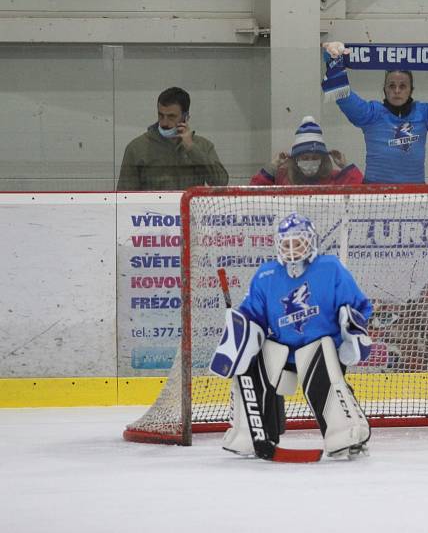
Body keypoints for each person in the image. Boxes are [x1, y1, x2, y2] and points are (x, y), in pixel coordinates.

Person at [209, 212, 374, 460]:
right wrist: (239, 333)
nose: (292, 249)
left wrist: (351, 328)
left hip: (319, 349)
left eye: (298, 242)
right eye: (286, 243)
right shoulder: (267, 275)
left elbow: (358, 307)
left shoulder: (330, 269)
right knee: (251, 360)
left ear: (311, 241)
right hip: (284, 351)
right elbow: (253, 315)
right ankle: (249, 433)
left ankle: (346, 432)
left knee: (322, 353)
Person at [321, 42, 428, 184]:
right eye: (391, 86)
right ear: (384, 90)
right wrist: (333, 59)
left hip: (414, 196)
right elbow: (342, 95)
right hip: (374, 196)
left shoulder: (424, 114)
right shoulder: (371, 114)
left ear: (411, 90)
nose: (397, 91)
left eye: (403, 86)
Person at [117, 87, 229, 191]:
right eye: (161, 115)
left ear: (186, 117)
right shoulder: (137, 148)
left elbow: (221, 182)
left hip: (189, 210)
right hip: (151, 211)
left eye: (171, 117)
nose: (164, 122)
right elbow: (124, 196)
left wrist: (191, 148)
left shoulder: (202, 145)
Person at [250, 116, 363, 185]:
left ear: (322, 159)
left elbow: (363, 192)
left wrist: (345, 166)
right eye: (305, 158)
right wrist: (272, 166)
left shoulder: (334, 178)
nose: (310, 161)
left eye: (314, 158)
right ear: (296, 159)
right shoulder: (283, 179)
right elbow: (252, 195)